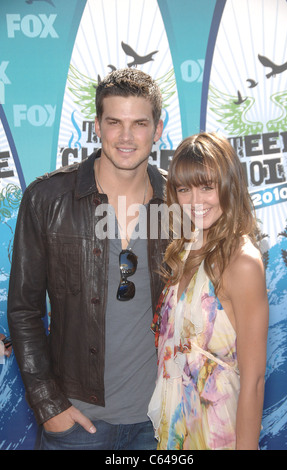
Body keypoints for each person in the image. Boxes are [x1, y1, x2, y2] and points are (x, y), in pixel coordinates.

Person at [7, 68, 168, 450]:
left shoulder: (177, 202)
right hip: (77, 426)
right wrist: (49, 407)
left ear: (157, 130)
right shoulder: (48, 199)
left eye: (139, 123)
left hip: (161, 423)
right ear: (97, 126)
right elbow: (24, 310)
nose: (126, 137)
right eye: (114, 122)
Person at [148, 132, 269, 450]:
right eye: (184, 189)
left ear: (228, 185)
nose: (195, 202)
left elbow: (254, 381)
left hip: (218, 432)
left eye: (207, 187)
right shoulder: (186, 246)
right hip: (176, 429)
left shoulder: (242, 263)